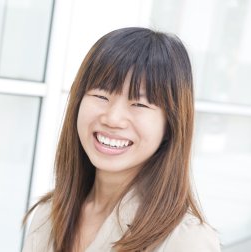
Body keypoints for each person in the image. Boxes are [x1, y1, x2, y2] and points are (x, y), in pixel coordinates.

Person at [22, 27, 221, 252]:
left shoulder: (186, 240)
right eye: (101, 96)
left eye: (139, 104)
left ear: (170, 124)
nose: (113, 119)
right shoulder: (48, 214)